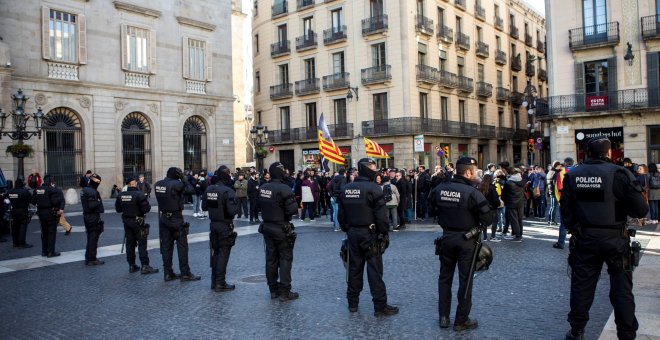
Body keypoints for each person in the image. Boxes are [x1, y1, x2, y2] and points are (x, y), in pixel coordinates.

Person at [561, 136, 649, 340]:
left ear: (587, 153)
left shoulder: (573, 174)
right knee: (622, 290)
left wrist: (576, 228)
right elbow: (641, 209)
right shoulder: (620, 174)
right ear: (609, 153)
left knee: (581, 287)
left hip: (585, 239)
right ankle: (626, 334)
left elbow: (565, 210)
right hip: (615, 239)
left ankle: (577, 331)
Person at [428, 157, 493, 331]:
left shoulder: (440, 188)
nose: (477, 173)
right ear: (468, 172)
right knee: (465, 281)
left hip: (447, 237)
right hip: (467, 240)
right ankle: (461, 320)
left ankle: (443, 317)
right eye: (475, 170)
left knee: (444, 278)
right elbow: (488, 218)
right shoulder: (472, 192)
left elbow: (430, 208)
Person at [338, 158, 399, 317]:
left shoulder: (346, 188)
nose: (376, 170)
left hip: (352, 233)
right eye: (373, 167)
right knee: (374, 271)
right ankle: (380, 307)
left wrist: (349, 229)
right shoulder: (374, 188)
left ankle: (353, 303)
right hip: (370, 234)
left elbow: (341, 216)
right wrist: (383, 233)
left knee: (354, 269)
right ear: (366, 169)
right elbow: (382, 217)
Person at [258, 162, 299, 301]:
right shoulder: (285, 189)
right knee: (285, 259)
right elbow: (292, 210)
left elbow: (258, 206)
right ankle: (285, 291)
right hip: (281, 227)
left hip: (267, 227)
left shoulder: (263, 187)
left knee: (271, 259)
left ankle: (273, 290)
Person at [154, 167, 200, 282]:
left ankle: (168, 273)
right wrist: (184, 178)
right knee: (182, 246)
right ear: (177, 175)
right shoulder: (176, 184)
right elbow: (191, 190)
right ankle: (185, 273)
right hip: (176, 217)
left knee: (166, 247)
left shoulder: (158, 184)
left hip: (164, 217)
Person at [202, 166, 240, 292]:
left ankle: (214, 281)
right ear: (226, 176)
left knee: (216, 253)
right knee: (223, 254)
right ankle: (220, 283)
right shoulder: (227, 191)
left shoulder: (209, 189)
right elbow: (232, 211)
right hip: (224, 225)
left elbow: (204, 207)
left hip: (213, 224)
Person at [115, 176, 158, 274]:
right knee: (142, 244)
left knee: (130, 243)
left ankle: (131, 265)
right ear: (134, 183)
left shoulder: (121, 195)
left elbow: (118, 209)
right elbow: (146, 209)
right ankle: (145, 266)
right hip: (138, 222)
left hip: (127, 222)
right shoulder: (139, 194)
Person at [32, 175, 65, 257]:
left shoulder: (37, 189)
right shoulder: (53, 190)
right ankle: (51, 252)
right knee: (51, 232)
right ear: (51, 181)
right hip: (50, 212)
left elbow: (33, 201)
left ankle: (44, 251)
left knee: (44, 233)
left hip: (41, 213)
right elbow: (57, 201)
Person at [80, 173, 105, 266]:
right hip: (92, 217)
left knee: (90, 237)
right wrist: (98, 202)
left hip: (87, 216)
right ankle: (91, 258)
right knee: (93, 238)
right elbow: (92, 205)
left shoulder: (84, 190)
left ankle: (88, 257)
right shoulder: (92, 191)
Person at [553, 157, 575, 249]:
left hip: (564, 201)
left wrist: (560, 200)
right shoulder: (577, 171)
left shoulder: (561, 173)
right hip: (575, 201)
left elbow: (559, 187)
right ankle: (575, 242)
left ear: (565, 163)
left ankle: (561, 242)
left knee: (563, 223)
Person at [7, 179, 33, 248]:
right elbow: (31, 200)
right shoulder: (24, 191)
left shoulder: (10, 192)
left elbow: (6, 198)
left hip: (14, 210)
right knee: (22, 227)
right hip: (23, 211)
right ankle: (22, 243)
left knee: (15, 227)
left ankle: (15, 243)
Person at [502, 168, 525, 242]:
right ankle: (520, 234)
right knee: (519, 219)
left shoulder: (508, 182)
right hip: (520, 202)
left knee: (514, 220)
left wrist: (505, 201)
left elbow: (504, 194)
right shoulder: (521, 180)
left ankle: (517, 236)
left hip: (511, 203)